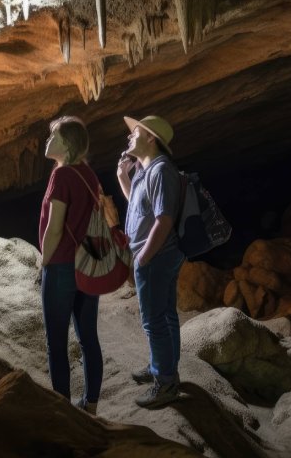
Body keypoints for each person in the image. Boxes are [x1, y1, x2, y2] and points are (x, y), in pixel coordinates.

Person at [117, 115, 184, 409]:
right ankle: (164, 366)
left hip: (157, 255)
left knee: (154, 319)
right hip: (156, 254)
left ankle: (165, 382)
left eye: (136, 132)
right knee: (165, 313)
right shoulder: (146, 171)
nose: (130, 136)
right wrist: (123, 178)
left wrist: (144, 257)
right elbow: (139, 206)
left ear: (151, 138)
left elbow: (164, 219)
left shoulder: (160, 171)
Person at [39, 116, 103, 415]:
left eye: (53, 135)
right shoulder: (88, 175)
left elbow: (54, 227)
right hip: (88, 264)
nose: (47, 140)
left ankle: (62, 410)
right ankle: (90, 405)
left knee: (57, 341)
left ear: (66, 145)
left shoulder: (62, 175)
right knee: (88, 336)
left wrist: (44, 262)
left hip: (63, 265)